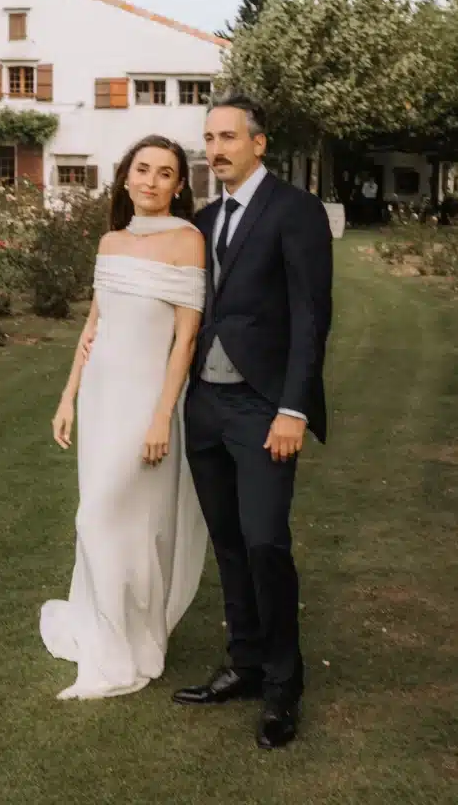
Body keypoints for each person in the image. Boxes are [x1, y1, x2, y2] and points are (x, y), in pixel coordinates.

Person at [172, 94, 333, 750]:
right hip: (204, 409)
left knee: (265, 541)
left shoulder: (295, 211)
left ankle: (283, 686)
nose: (216, 149)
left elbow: (311, 316)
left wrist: (293, 407)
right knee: (230, 543)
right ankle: (244, 662)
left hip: (263, 407)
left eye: (228, 137)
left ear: (258, 143)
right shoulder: (203, 220)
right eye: (209, 137)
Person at [40, 135, 208, 700]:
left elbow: (186, 341)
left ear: (179, 186)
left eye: (165, 173)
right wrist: (68, 396)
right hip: (100, 399)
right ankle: (114, 632)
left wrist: (163, 415)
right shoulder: (110, 242)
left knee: (105, 518)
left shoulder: (188, 241)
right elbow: (95, 326)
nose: (151, 181)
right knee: (111, 519)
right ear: (126, 176)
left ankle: (123, 650)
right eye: (142, 169)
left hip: (145, 402)